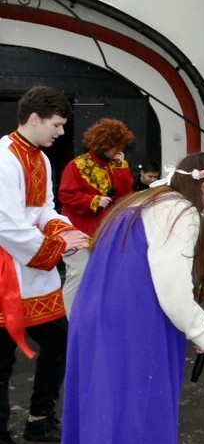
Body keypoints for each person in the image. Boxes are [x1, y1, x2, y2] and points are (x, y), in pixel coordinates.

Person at [54, 153, 204, 444]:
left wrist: (201, 323)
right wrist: (202, 332)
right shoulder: (180, 212)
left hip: (98, 317)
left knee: (104, 413)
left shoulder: (141, 201)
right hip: (135, 325)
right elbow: (171, 284)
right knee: (140, 415)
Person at [0, 87, 89, 444]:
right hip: (6, 274)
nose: (60, 132)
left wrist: (65, 231)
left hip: (35, 271)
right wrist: (54, 247)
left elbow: (43, 210)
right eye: (56, 124)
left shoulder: (39, 157)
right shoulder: (4, 159)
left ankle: (39, 422)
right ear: (33, 118)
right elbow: (6, 225)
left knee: (59, 340)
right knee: (1, 360)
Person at [59, 118, 135, 313]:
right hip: (76, 231)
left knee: (99, 275)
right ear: (104, 144)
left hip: (103, 232)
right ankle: (69, 319)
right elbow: (65, 195)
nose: (118, 150)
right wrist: (93, 201)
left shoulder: (115, 165)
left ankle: (89, 316)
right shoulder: (76, 165)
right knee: (79, 273)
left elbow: (124, 195)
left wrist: (121, 168)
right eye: (116, 146)